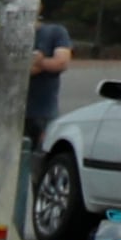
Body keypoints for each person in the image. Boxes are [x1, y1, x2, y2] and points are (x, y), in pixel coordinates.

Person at [27, 13, 79, 150]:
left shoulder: (55, 32)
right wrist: (40, 63)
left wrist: (39, 62)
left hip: (44, 112)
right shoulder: (8, 34)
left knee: (43, 154)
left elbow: (61, 63)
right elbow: (8, 69)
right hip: (11, 113)